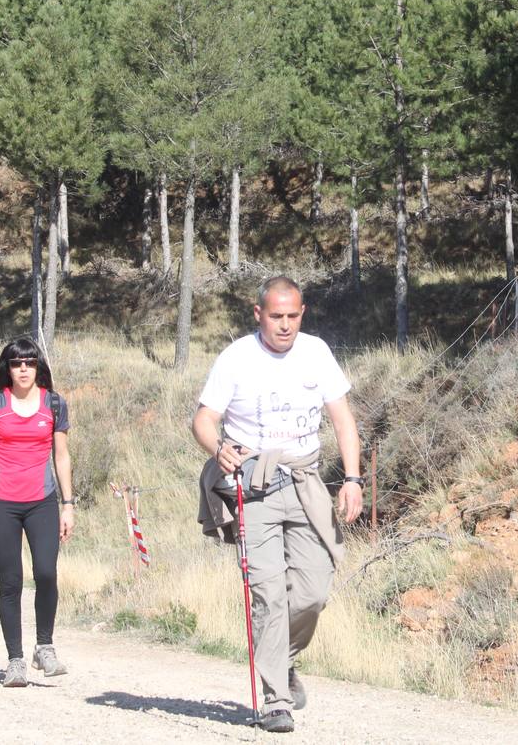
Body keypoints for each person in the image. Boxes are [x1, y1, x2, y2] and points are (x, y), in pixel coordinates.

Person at [193, 276, 364, 734]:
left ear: (302, 313)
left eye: (292, 316)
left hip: (306, 481)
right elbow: (204, 419)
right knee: (267, 592)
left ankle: (284, 658)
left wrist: (351, 479)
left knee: (313, 591)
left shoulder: (317, 352)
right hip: (254, 485)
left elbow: (343, 419)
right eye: (275, 317)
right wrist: (218, 448)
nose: (284, 326)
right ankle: (275, 700)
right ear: (258, 314)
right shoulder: (235, 358)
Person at [0, 337, 75, 688]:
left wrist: (68, 505)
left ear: (38, 366)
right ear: (7, 368)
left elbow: (61, 456)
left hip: (42, 500)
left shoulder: (54, 404)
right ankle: (15, 661)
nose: (23, 369)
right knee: (10, 582)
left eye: (29, 362)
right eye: (16, 363)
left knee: (45, 572)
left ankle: (44, 646)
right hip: (1, 501)